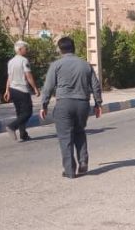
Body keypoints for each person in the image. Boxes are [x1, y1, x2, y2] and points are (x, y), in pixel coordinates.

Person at [40, 37, 103, 179]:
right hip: (82, 103)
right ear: (74, 48)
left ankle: (69, 170)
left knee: (65, 137)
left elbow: (48, 87)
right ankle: (83, 162)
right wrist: (98, 104)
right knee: (79, 132)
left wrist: (44, 105)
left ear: (60, 49)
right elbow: (95, 85)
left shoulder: (56, 65)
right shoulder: (85, 65)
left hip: (64, 104)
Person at [3, 40, 40, 142]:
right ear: (20, 49)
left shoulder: (11, 62)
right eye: (25, 48)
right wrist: (35, 88)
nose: (26, 50)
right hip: (22, 90)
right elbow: (28, 75)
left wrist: (7, 90)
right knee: (27, 112)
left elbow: (9, 77)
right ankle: (12, 126)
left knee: (20, 113)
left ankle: (23, 134)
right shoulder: (24, 60)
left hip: (13, 89)